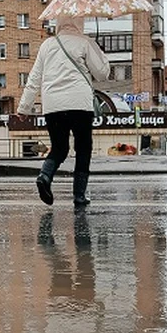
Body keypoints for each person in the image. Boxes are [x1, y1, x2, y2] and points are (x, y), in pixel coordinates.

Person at [18, 14, 109, 207]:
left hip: (53, 106)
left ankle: (45, 176)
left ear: (59, 23)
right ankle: (79, 195)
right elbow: (102, 74)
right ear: (80, 23)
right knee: (83, 149)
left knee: (59, 148)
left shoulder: (47, 45)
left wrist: (24, 107)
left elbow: (34, 78)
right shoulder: (85, 42)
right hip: (80, 105)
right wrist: (99, 51)